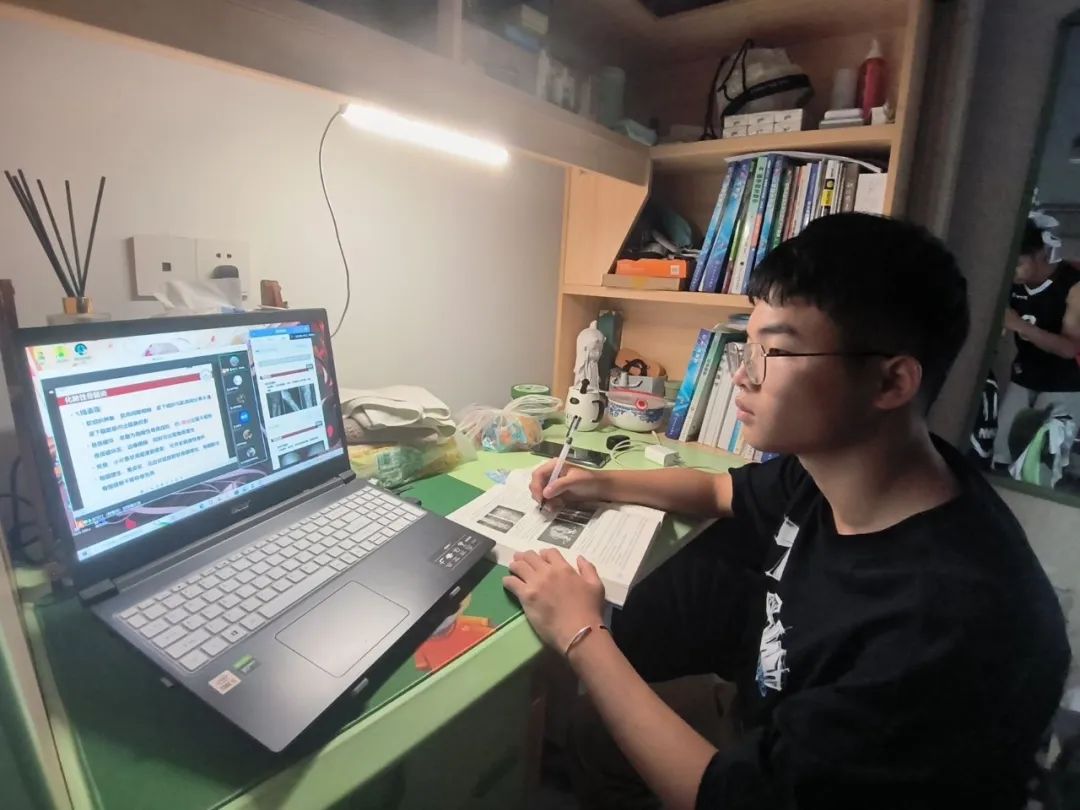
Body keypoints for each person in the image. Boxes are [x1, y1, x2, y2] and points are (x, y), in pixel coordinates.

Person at [503, 213, 1069, 810]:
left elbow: (728, 797)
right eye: (748, 348)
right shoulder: (847, 466)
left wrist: (582, 634)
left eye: (773, 351)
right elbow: (721, 492)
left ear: (891, 382)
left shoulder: (944, 627)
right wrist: (599, 483)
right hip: (770, 722)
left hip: (783, 776)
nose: (742, 377)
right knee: (592, 735)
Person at [993, 214, 1080, 469]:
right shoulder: (1011, 283)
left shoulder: (1072, 286)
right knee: (1001, 451)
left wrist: (1020, 326)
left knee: (1043, 460)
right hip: (1024, 376)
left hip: (1064, 383)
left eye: (1019, 264)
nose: (1013, 271)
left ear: (1040, 254)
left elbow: (1070, 348)